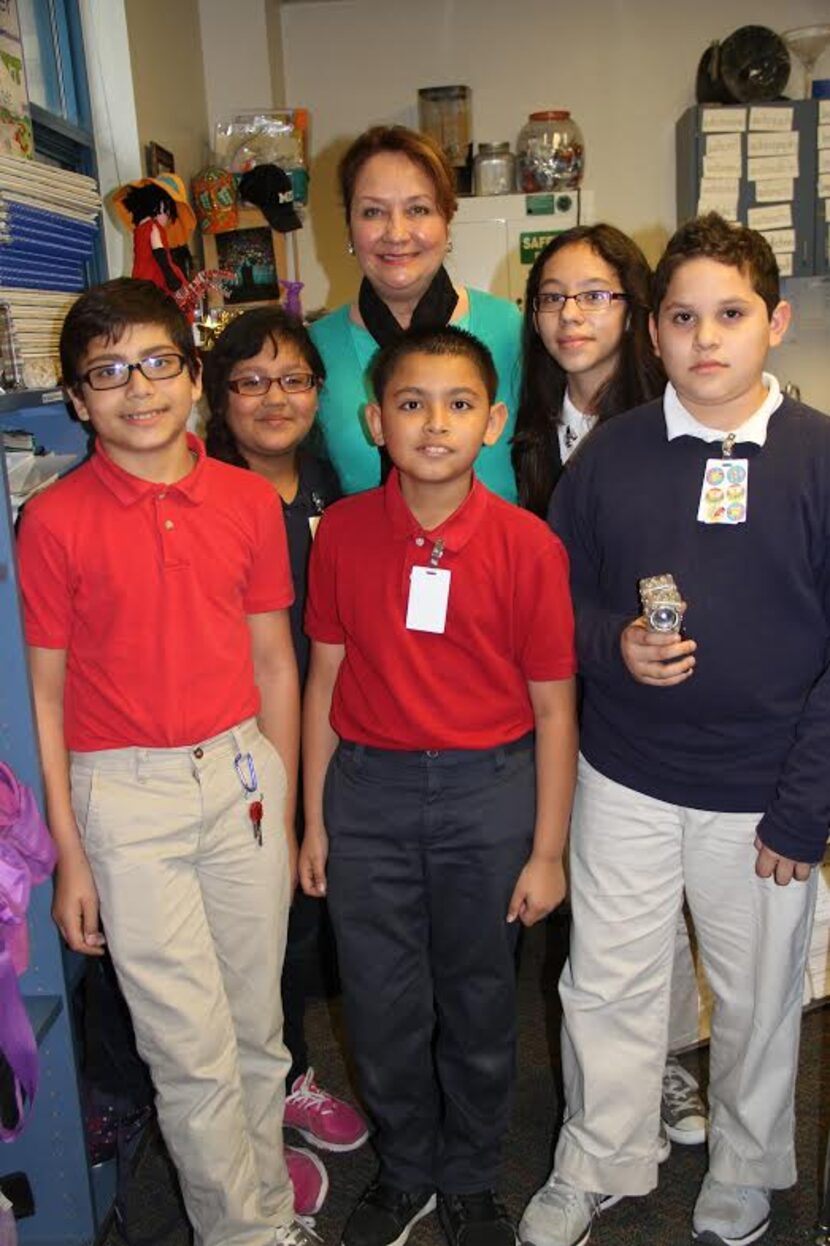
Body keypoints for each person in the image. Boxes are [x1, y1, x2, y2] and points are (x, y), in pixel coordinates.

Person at [518, 213, 830, 1246]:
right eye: (683, 317)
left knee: (754, 995)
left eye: (729, 315)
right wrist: (613, 644)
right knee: (605, 979)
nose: (706, 339)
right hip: (627, 776)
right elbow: (553, 605)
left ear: (773, 322)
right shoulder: (609, 457)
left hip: (763, 793)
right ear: (650, 333)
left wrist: (803, 807)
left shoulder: (817, 458)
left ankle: (743, 1165)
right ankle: (601, 1155)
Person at [17, 278, 311, 1246]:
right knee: (187, 1049)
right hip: (123, 796)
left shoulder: (243, 499)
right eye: (107, 372)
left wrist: (288, 799)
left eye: (156, 363)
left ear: (192, 375)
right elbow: (47, 698)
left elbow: (274, 658)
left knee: (256, 1028)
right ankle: (243, 1233)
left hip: (240, 779)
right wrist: (72, 854)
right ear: (75, 398)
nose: (136, 389)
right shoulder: (53, 522)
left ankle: (265, 1206)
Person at [300, 325, 578, 1246]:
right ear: (374, 420)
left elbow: (553, 709)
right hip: (368, 797)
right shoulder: (341, 532)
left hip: (485, 797)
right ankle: (407, 1166)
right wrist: (313, 820)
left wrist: (546, 848)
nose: (434, 423)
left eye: (459, 404)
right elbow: (324, 680)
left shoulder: (528, 546)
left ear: (493, 421)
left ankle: (468, 1175)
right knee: (379, 1005)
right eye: (411, 403)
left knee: (479, 1001)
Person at [514, 223, 707, 1149]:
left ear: (633, 310)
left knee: (651, 899)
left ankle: (666, 1061)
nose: (570, 316)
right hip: (554, 680)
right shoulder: (525, 417)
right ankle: (609, 1081)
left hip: (648, 685)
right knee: (595, 898)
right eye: (552, 297)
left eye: (593, 295)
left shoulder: (676, 413)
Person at [204, 306, 369, 1216]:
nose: (275, 398)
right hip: (229, 757)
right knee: (240, 948)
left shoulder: (329, 490)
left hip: (323, 743)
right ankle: (250, 1123)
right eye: (251, 380)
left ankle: (289, 1076)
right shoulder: (201, 493)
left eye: (295, 379)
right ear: (218, 396)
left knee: (298, 936)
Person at [309, 124, 521, 501]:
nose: (396, 232)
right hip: (369, 556)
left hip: (500, 558)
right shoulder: (315, 350)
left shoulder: (511, 331)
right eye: (373, 211)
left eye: (418, 209)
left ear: (447, 221)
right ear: (349, 228)